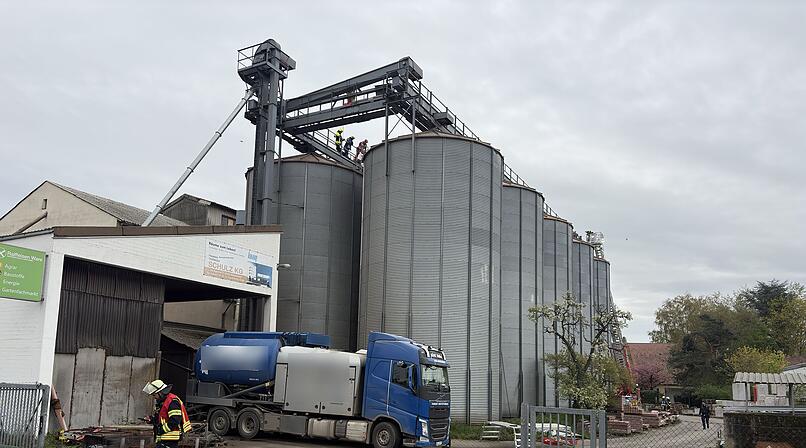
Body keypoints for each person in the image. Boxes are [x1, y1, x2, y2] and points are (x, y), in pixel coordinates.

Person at [142, 380, 192, 448]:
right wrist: (151, 419)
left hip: (170, 439)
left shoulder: (172, 402)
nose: (154, 397)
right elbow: (161, 419)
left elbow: (174, 421)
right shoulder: (164, 402)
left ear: (160, 392)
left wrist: (160, 430)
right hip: (164, 439)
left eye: (154, 394)